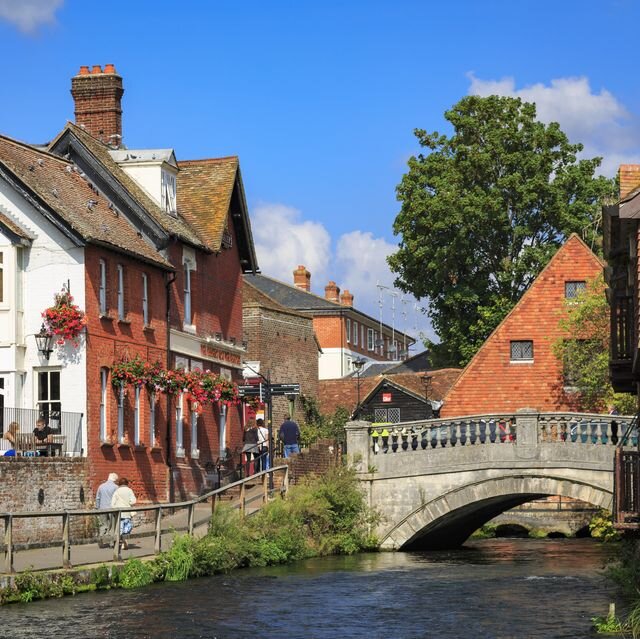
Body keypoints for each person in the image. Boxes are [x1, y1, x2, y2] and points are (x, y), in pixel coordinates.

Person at [111, 477, 136, 550]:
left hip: (119, 513)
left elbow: (112, 504)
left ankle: (121, 542)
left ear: (119, 484)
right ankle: (124, 541)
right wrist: (128, 503)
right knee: (127, 528)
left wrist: (116, 508)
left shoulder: (117, 491)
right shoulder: (129, 490)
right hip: (127, 513)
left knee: (120, 529)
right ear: (127, 483)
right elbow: (133, 501)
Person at [95, 472, 119, 547]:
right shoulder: (116, 487)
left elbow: (98, 498)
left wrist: (97, 507)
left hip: (102, 508)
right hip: (112, 509)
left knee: (103, 525)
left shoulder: (101, 486)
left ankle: (101, 539)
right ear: (114, 479)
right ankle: (112, 542)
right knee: (112, 526)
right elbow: (117, 499)